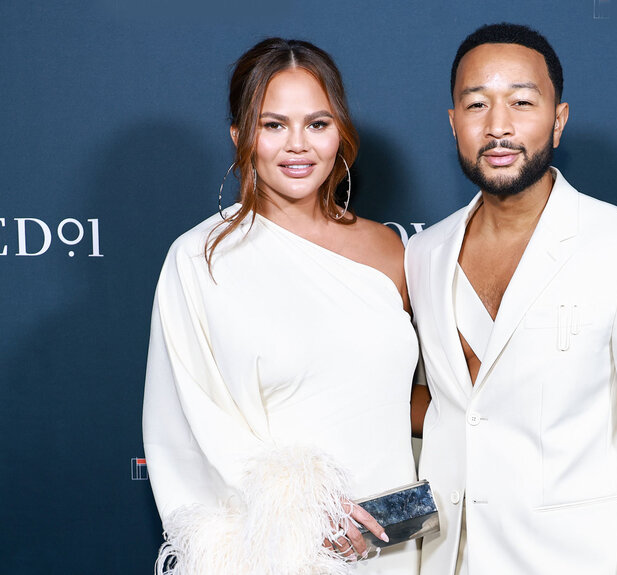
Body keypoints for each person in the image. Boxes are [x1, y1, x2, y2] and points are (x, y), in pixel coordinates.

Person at [406, 23, 617, 574]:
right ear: (453, 123)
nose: (498, 126)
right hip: (445, 560)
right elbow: (445, 414)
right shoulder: (423, 253)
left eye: (521, 102)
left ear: (558, 120)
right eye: (476, 104)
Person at [143, 38, 420, 575]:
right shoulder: (200, 259)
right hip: (282, 553)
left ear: (339, 132)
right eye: (274, 125)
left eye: (317, 124)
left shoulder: (389, 250)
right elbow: (188, 423)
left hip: (398, 544)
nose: (298, 145)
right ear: (240, 136)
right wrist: (303, 514)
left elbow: (422, 397)